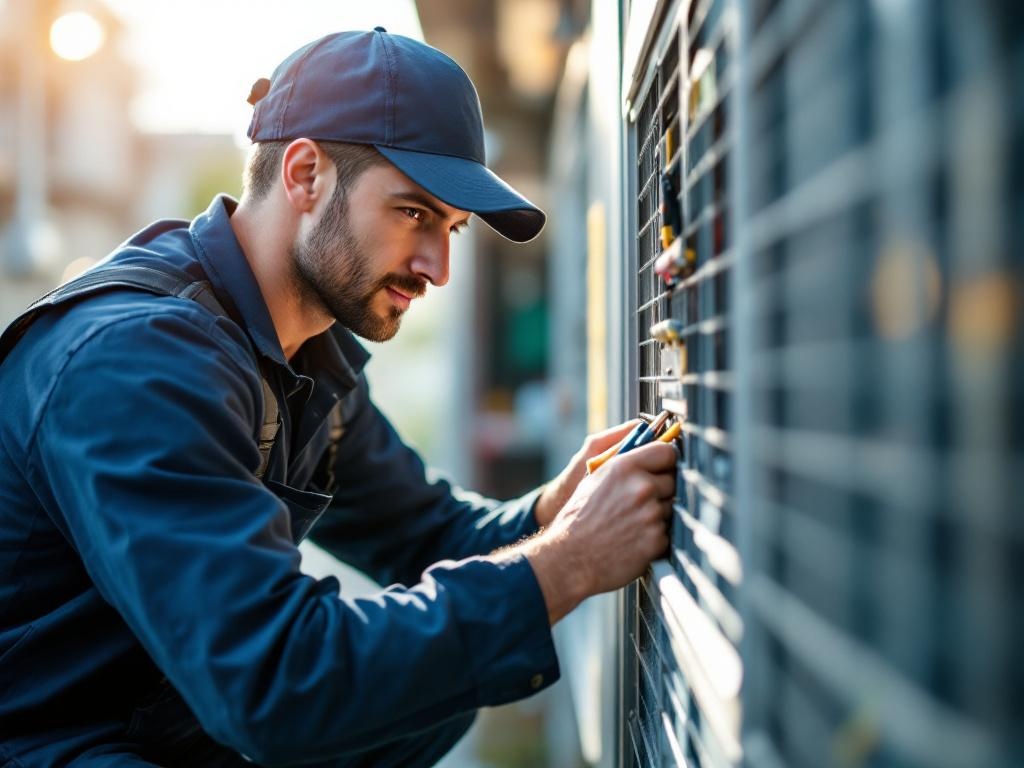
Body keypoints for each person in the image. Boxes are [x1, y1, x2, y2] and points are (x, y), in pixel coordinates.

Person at [0, 29, 676, 767]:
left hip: (165, 735)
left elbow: (426, 537)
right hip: (57, 748)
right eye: (414, 213)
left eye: (452, 228)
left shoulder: (298, 355)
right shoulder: (137, 363)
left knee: (422, 692)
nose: (438, 267)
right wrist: (569, 561)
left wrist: (557, 511)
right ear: (304, 175)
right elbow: (272, 679)